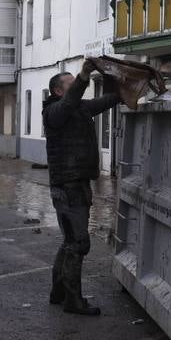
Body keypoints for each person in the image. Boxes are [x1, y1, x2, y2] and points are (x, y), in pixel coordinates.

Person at [43, 60, 120, 316]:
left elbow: (107, 101)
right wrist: (85, 76)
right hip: (68, 185)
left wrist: (126, 88)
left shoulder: (79, 108)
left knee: (69, 242)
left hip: (76, 183)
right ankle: (74, 301)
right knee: (78, 243)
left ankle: (58, 292)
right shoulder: (54, 111)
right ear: (58, 91)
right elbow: (69, 103)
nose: (77, 87)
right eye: (71, 84)